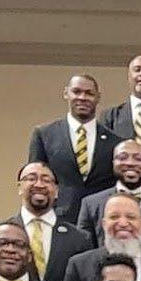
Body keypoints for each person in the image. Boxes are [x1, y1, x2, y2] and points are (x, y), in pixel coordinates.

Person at [0, 162, 92, 281]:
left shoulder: (79, 237)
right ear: (19, 187)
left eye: (46, 180)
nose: (39, 185)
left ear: (56, 190)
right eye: (31, 178)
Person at [28, 74, 121, 223]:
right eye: (76, 92)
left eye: (89, 93)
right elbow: (35, 180)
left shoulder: (115, 142)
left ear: (98, 97)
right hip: (57, 219)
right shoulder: (44, 134)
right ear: (66, 93)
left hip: (100, 219)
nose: (82, 97)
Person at [76, 140, 141, 247]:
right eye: (122, 157)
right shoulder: (91, 204)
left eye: (138, 158)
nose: (130, 163)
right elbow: (83, 248)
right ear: (113, 163)